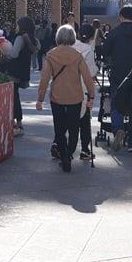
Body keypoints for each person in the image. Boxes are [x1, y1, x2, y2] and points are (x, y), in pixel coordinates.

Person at [36, 24, 95, 172]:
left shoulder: (51, 55)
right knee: (74, 128)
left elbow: (44, 79)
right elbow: (87, 77)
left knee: (59, 128)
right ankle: (69, 154)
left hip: (57, 96)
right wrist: (91, 96)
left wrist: (40, 98)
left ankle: (63, 155)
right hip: (75, 96)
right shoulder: (77, 55)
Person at [102, 5, 132, 152]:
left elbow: (105, 50)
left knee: (116, 103)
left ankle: (118, 129)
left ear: (121, 17)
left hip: (117, 74)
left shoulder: (115, 32)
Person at [0, 16, 38, 136]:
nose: (17, 27)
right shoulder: (31, 37)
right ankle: (17, 121)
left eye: (18, 25)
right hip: (23, 71)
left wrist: (4, 53)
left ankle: (16, 122)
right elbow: (37, 48)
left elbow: (14, 54)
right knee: (15, 96)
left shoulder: (20, 37)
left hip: (13, 71)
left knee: (13, 97)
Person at [73, 23, 97, 160]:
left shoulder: (71, 47)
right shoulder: (89, 51)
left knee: (67, 118)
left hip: (67, 86)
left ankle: (59, 144)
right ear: (92, 37)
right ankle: (85, 149)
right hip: (83, 87)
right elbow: (91, 72)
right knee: (84, 120)